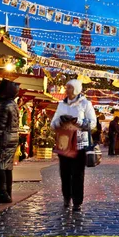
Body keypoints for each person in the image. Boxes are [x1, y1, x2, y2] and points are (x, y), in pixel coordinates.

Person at [50, 79, 96, 212]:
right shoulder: (61, 105)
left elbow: (92, 123)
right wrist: (59, 121)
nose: (66, 90)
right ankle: (66, 197)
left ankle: (77, 201)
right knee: (64, 173)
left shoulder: (85, 104)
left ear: (76, 89)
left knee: (78, 174)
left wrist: (78, 121)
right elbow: (53, 124)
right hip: (64, 143)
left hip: (79, 144)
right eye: (66, 87)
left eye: (69, 88)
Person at [0, 79, 20, 206]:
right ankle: (7, 193)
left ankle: (2, 193)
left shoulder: (3, 105)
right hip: (13, 137)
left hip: (3, 138)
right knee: (7, 166)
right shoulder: (13, 104)